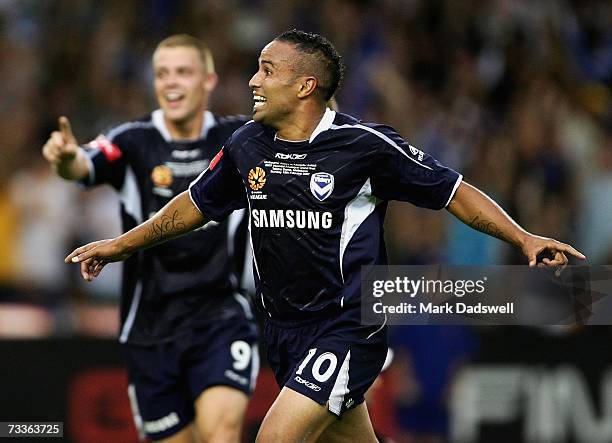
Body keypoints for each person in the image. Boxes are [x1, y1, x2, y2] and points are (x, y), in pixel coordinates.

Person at [65, 30, 586, 443]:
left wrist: (522, 238)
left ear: (305, 86)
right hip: (283, 329)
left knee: (274, 439)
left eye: (267, 70)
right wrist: (119, 245)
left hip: (347, 325)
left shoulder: (365, 145)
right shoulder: (248, 144)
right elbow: (192, 207)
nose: (253, 80)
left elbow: (454, 192)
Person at [43, 34, 259, 443]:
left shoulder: (241, 140)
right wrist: (66, 158)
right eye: (162, 73)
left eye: (183, 72)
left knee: (221, 431)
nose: (171, 82)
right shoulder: (132, 140)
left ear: (208, 80)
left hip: (220, 317)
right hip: (151, 326)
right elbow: (83, 164)